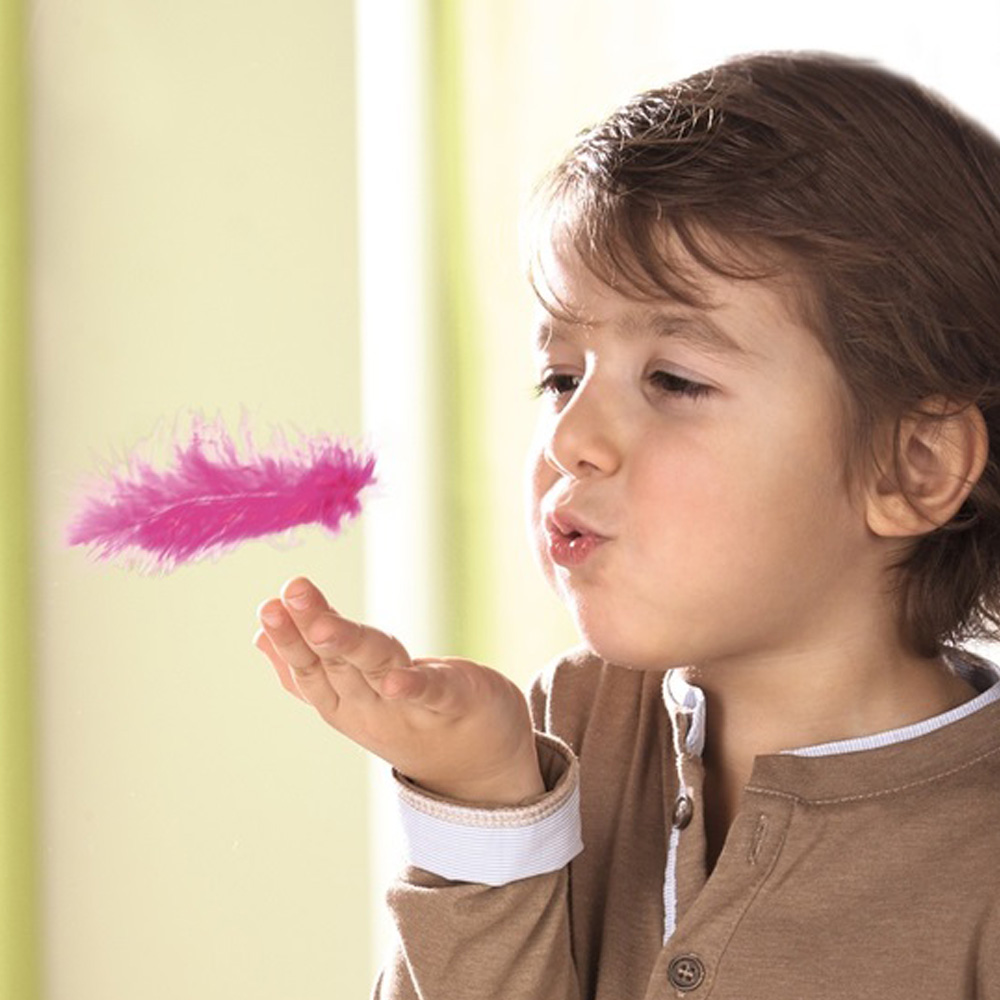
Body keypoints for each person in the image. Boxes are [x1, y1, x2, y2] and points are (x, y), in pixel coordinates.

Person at [253, 51, 1000, 999]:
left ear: (914, 466)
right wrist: (485, 810)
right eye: (562, 376)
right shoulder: (567, 724)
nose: (572, 438)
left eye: (674, 380)